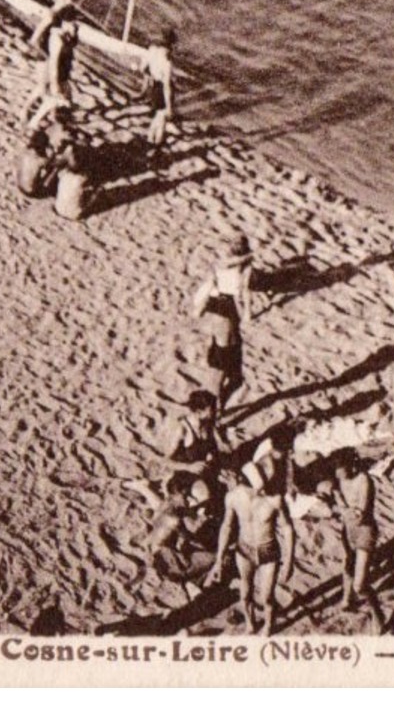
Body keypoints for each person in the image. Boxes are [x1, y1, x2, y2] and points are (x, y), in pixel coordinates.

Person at [206, 453, 295, 635]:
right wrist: (219, 560)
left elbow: (288, 529)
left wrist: (289, 561)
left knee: (267, 597)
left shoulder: (274, 500)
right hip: (244, 549)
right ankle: (250, 623)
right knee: (245, 594)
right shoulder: (233, 497)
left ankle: (269, 625)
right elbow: (227, 526)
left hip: (268, 550)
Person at [191, 235, 255, 411]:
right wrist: (248, 312)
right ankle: (211, 410)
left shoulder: (222, 262)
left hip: (219, 310)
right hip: (226, 312)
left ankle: (217, 408)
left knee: (231, 374)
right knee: (221, 370)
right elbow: (245, 291)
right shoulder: (241, 264)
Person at [326, 449, 386, 631]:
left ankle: (378, 614)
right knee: (348, 567)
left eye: (339, 469)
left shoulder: (364, 480)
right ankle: (347, 599)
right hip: (348, 531)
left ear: (349, 466)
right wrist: (341, 505)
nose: (336, 473)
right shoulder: (339, 480)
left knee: (360, 585)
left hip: (365, 532)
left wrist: (340, 508)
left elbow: (360, 516)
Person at [148, 472, 219, 597]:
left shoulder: (167, 503)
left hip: (159, 554)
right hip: (172, 565)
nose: (189, 500)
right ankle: (195, 583)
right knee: (216, 557)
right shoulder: (174, 520)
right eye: (186, 496)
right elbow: (191, 539)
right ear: (178, 493)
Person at [22, 0, 79, 130]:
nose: (73, 27)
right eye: (70, 24)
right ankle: (34, 121)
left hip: (62, 68)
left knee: (46, 91)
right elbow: (53, 63)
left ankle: (32, 112)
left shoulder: (68, 31)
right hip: (55, 68)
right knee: (53, 97)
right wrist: (54, 84)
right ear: (64, 22)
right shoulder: (57, 38)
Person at [140, 28, 176, 167]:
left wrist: (148, 79)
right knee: (161, 121)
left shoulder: (152, 50)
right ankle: (155, 152)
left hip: (153, 87)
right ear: (171, 45)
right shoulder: (167, 62)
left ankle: (149, 143)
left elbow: (143, 68)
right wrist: (169, 107)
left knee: (157, 117)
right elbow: (167, 86)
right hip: (161, 89)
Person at [163, 390, 219, 466]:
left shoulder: (207, 426)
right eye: (212, 410)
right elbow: (165, 461)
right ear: (199, 412)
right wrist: (189, 468)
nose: (216, 412)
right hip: (182, 475)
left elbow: (213, 449)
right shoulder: (182, 428)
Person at [16, 127, 71, 199]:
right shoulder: (40, 160)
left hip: (20, 186)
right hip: (30, 191)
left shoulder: (26, 152)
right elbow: (57, 163)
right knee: (55, 169)